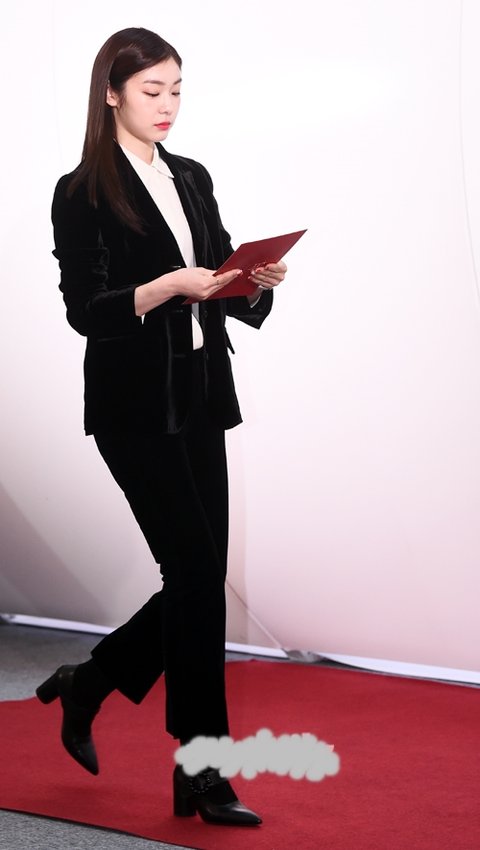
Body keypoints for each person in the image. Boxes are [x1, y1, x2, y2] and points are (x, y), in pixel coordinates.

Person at [36, 26, 286, 827]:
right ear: (112, 93)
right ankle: (204, 769)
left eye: (177, 89)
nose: (168, 104)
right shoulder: (81, 190)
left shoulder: (192, 176)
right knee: (195, 576)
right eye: (152, 90)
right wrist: (165, 286)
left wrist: (253, 281)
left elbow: (221, 275)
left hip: (203, 396)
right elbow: (87, 311)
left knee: (197, 580)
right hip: (135, 407)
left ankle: (93, 684)